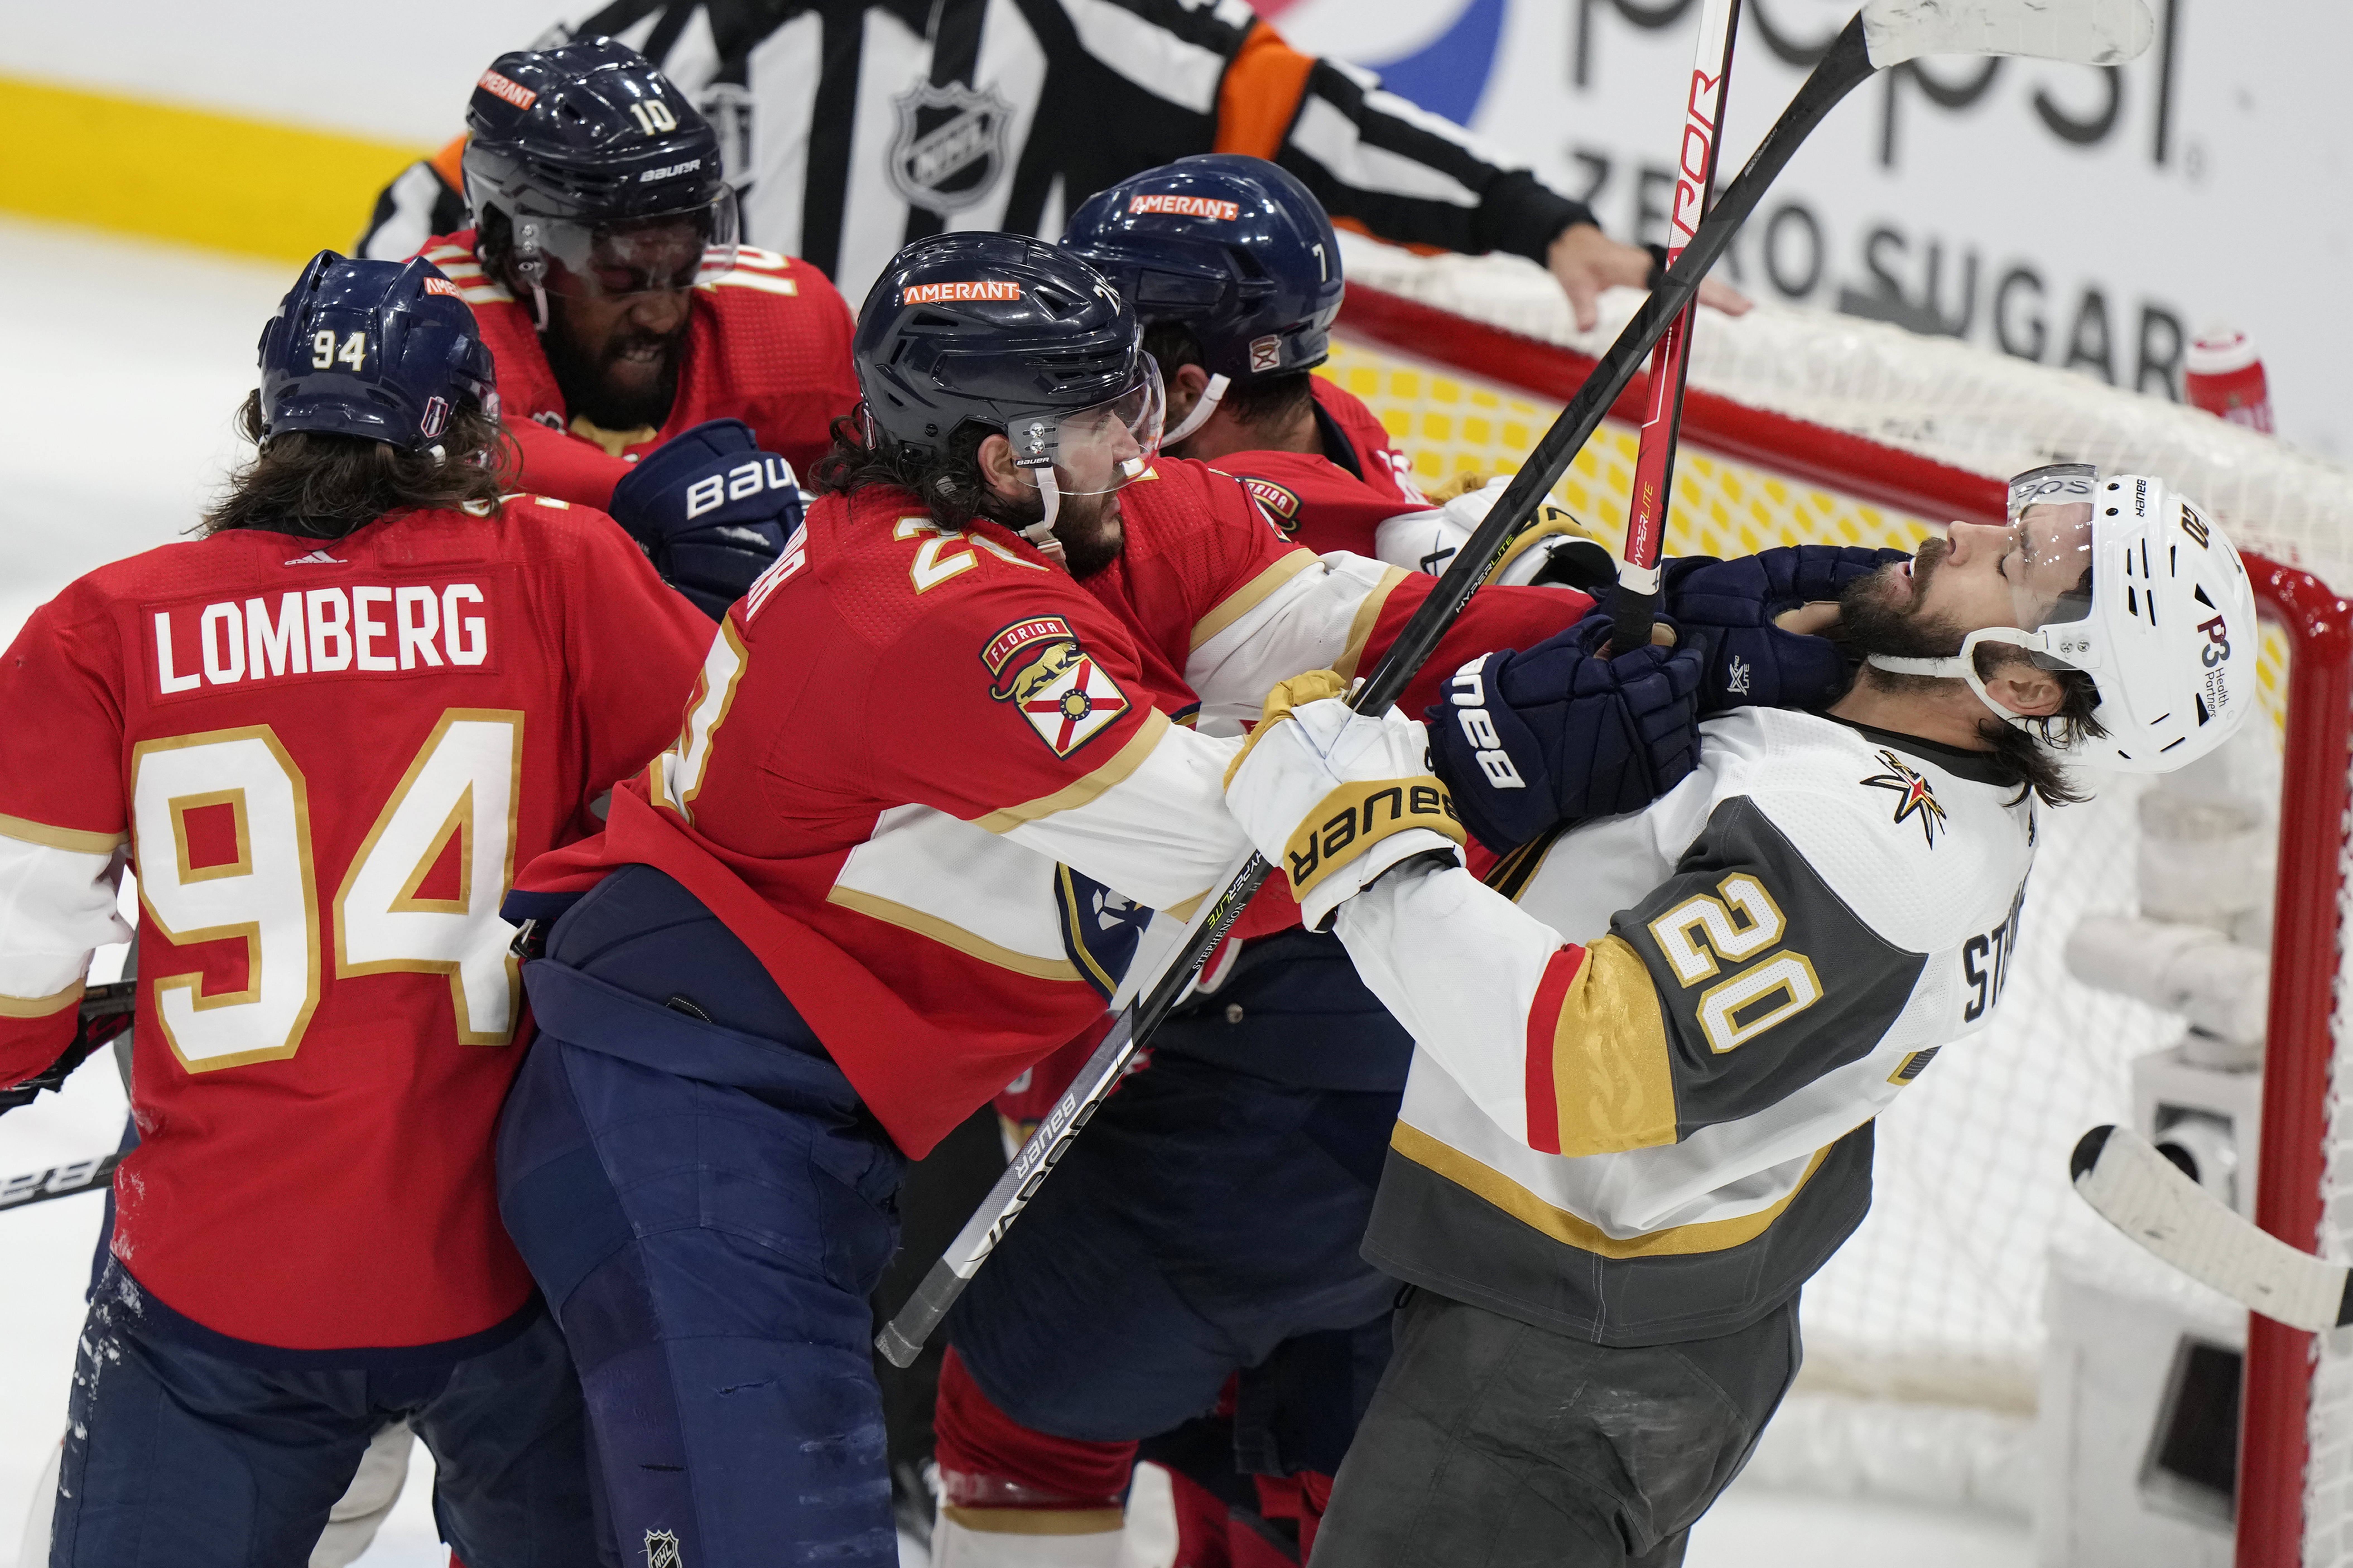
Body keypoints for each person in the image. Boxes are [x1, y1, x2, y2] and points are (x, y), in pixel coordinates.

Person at [483, 230, 1663, 1567]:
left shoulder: (1057, 523)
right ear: (1003, 454)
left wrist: (1652, 624)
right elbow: (1226, 853)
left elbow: (1357, 621)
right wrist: (1520, 752)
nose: (1140, 444)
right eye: (1106, 417)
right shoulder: (938, 615)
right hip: (682, 1120)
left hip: (751, 1105)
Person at [1216, 465, 2262, 1565]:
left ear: (2022, 683)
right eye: (2013, 531)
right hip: (1638, 1313)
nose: (1954, 534)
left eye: (2008, 567)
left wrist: (1359, 834)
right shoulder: (1889, 727)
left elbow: (1575, 1062)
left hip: (1560, 1371)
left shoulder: (1868, 854)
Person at [925, 151, 1698, 1567]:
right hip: (1448, 1131)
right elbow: (1477, 555)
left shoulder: (1179, 515)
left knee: (1021, 1420)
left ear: (1180, 372)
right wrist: (1580, 581)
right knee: (1282, 1481)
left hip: (1245, 1098)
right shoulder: (1355, 439)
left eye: (1109, 347)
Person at [0, 251, 714, 1566]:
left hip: (226, 1282)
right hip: (516, 1266)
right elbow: (725, 815)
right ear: (474, 438)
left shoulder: (103, 626)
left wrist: (28, 1048)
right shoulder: (562, 572)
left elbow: (14, 951)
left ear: (267, 429)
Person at [360, 3, 1748, 333]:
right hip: (690, 502)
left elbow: (1300, 110)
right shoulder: (663, 28)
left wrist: (1539, 223)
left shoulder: (1064, 25)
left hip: (959, 507)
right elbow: (438, 199)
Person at [418, 39, 858, 612]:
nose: (663, 313)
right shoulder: (431, 320)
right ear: (518, 253)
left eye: (682, 266)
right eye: (620, 274)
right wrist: (647, 494)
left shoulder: (789, 320)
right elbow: (453, 450)